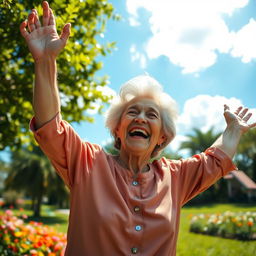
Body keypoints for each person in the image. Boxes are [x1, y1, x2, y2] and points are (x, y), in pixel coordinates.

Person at [20, 1, 256, 255]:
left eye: (151, 114)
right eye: (132, 112)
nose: (141, 118)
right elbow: (50, 126)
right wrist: (45, 62)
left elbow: (215, 161)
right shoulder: (88, 162)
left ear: (162, 137)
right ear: (117, 129)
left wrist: (233, 130)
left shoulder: (175, 177)